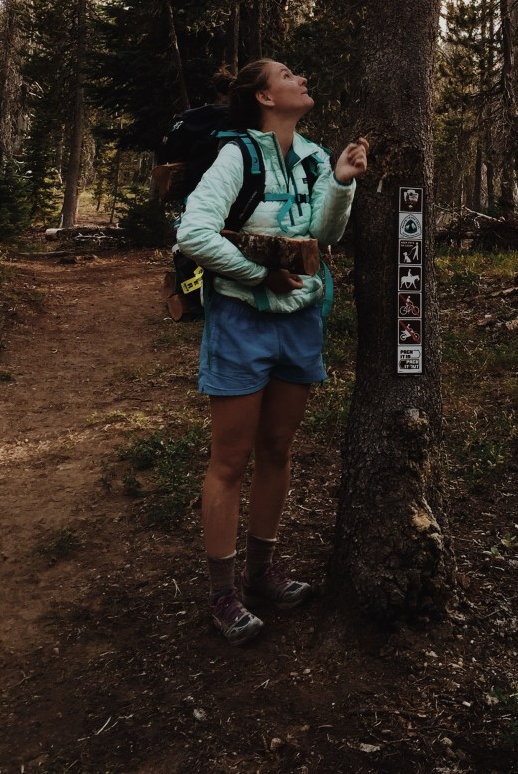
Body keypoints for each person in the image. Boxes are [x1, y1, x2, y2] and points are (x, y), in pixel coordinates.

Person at [175, 58, 369, 644]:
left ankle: (262, 573)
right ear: (264, 94)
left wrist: (340, 181)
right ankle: (222, 594)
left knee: (278, 450)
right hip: (240, 321)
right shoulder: (238, 156)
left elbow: (323, 237)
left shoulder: (312, 156)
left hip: (301, 320)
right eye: (288, 74)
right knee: (230, 461)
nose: (302, 78)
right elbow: (194, 232)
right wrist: (257, 276)